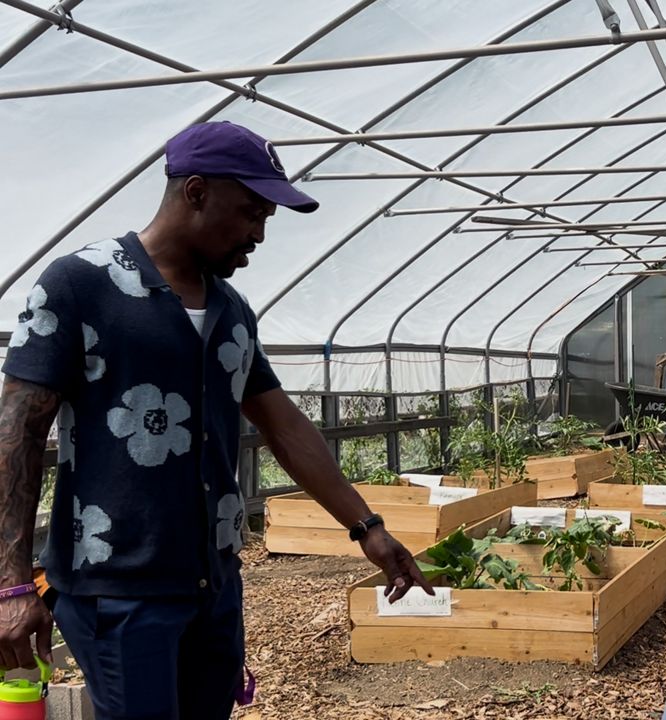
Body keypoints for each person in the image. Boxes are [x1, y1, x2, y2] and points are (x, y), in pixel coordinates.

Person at [0, 122, 432, 719]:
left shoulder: (232, 310)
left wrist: (367, 528)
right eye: (251, 212)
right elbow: (17, 434)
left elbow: (284, 426)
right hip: (118, 592)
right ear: (196, 192)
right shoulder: (81, 285)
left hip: (214, 585)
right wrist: (11, 583)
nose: (258, 233)